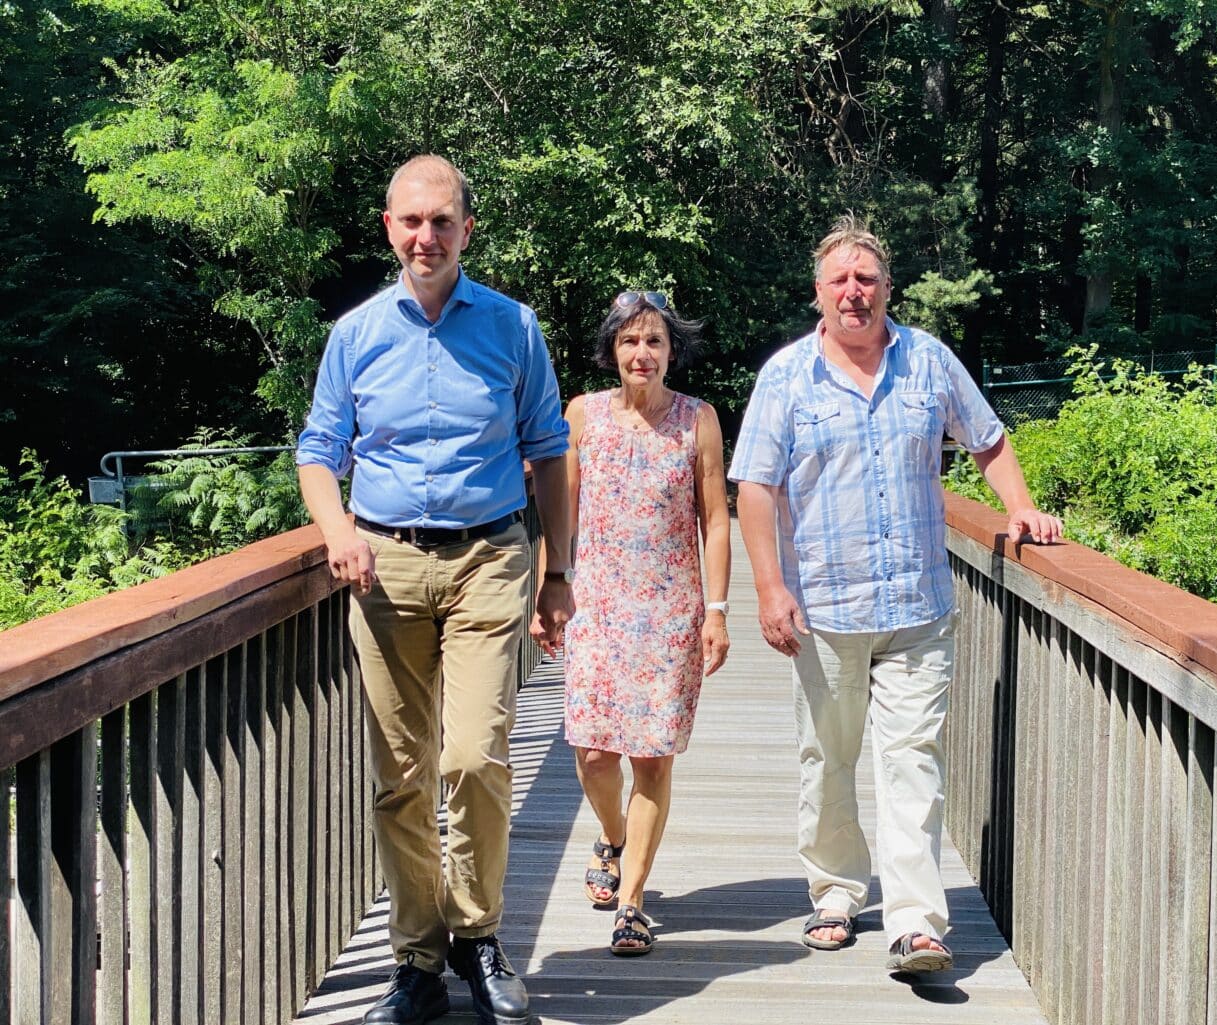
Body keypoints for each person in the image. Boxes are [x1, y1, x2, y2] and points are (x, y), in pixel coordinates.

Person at [729, 215, 1062, 976]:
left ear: (887, 289)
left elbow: (988, 438)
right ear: (819, 292)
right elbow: (754, 485)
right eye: (841, 280)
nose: (855, 292)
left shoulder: (929, 362)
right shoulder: (785, 376)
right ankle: (838, 889)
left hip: (917, 603)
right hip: (824, 605)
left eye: (867, 279)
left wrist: (1019, 504)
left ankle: (915, 922)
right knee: (830, 753)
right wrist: (769, 585)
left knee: (913, 758)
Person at [296, 154, 575, 1025]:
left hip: (490, 557)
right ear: (390, 228)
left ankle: (478, 933)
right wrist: (337, 529)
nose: (427, 236)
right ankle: (417, 960)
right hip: (383, 567)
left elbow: (549, 451)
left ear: (466, 229)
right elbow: (318, 450)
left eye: (442, 221)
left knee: (473, 758)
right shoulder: (356, 333)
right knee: (401, 774)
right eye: (411, 221)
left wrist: (558, 570)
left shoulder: (511, 326)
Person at [533, 291, 731, 956]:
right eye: (629, 341)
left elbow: (716, 519)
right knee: (593, 753)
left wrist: (720, 610)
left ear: (672, 351)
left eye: (654, 342)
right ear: (611, 350)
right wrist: (546, 589)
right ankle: (614, 837)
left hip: (671, 611)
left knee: (650, 756)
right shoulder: (582, 415)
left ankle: (633, 900)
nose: (641, 354)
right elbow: (560, 511)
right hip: (596, 605)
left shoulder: (697, 420)